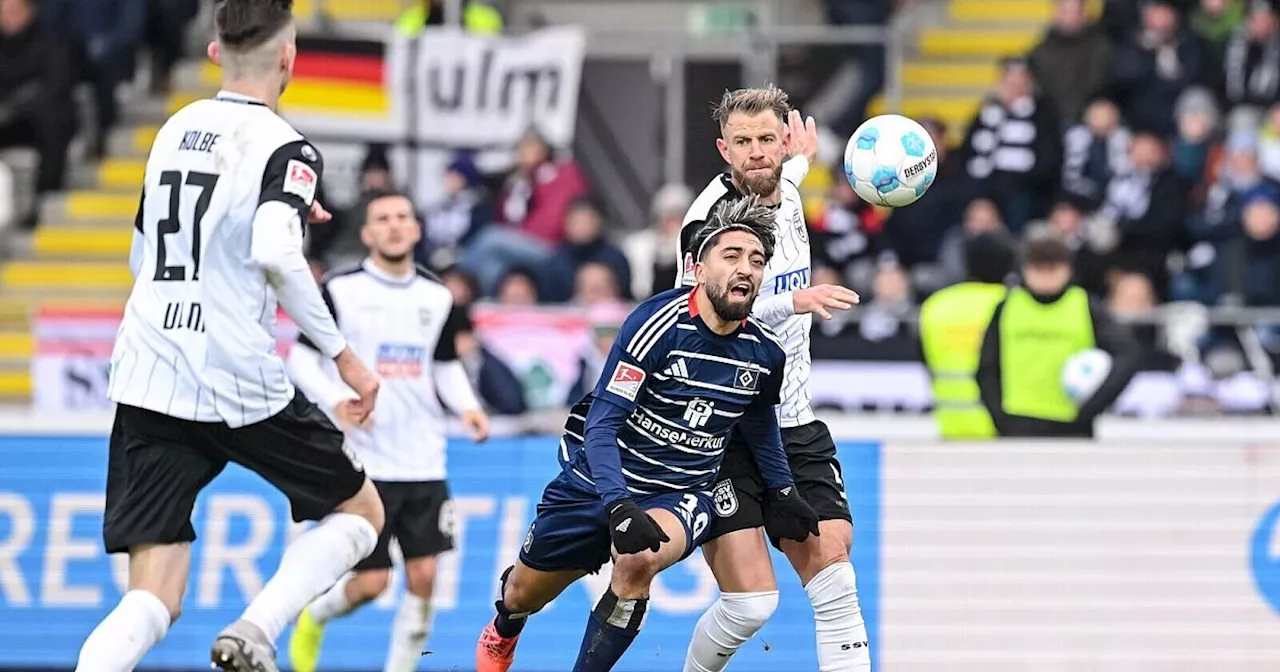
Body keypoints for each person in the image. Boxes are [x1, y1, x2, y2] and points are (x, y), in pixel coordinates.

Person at [74, 2, 386, 671]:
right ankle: (256, 629)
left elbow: (141, 253)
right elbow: (276, 251)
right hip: (237, 379)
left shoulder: (173, 128)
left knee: (151, 596)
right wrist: (345, 357)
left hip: (150, 374)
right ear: (288, 58)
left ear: (216, 53)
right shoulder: (287, 147)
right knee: (360, 514)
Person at [474, 196, 821, 672]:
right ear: (698, 269)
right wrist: (617, 503)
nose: (746, 269)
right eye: (733, 256)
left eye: (757, 261)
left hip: (682, 491)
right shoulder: (655, 326)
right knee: (520, 594)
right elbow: (602, 422)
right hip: (599, 482)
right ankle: (505, 629)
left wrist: (783, 490)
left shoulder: (764, 354)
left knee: (638, 561)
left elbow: (759, 424)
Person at [676, 85, 870, 672]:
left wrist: (803, 159)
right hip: (726, 429)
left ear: (784, 142)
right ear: (723, 149)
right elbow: (701, 317)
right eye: (743, 143)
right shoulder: (704, 225)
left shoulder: (785, 182)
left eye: (768, 139)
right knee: (752, 602)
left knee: (835, 566)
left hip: (793, 420)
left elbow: (787, 172)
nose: (757, 152)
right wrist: (794, 302)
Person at [285, 190, 491, 672]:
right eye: (383, 218)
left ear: (417, 229)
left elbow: (443, 366)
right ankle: (315, 615)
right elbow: (300, 357)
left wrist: (468, 407)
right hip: (364, 461)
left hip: (423, 458)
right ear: (367, 233)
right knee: (371, 582)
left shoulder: (438, 297)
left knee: (424, 577)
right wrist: (338, 400)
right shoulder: (340, 289)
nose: (394, 225)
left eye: (403, 217)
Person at [976, 227, 1143, 438]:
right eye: (1038, 268)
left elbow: (1128, 354)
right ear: (1023, 269)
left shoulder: (1085, 306)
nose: (1046, 277)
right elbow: (986, 367)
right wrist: (999, 416)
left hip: (1073, 426)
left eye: (1053, 268)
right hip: (1017, 424)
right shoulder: (1007, 307)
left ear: (1068, 268)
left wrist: (1093, 406)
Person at [918, 231, 1015, 440]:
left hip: (951, 427)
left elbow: (925, 361)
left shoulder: (936, 305)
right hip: (1003, 427)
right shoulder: (1012, 304)